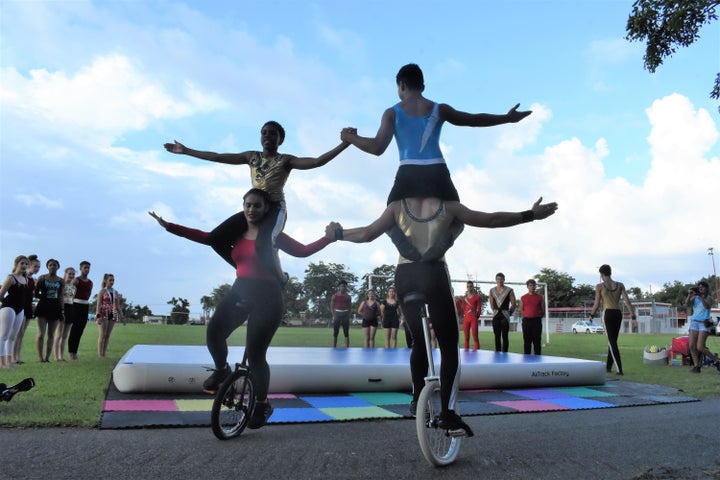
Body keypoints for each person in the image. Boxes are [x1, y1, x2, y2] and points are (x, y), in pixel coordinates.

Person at [327, 195, 558, 434]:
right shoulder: (449, 207)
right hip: (434, 274)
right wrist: (530, 215)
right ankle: (447, 413)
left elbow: (366, 234)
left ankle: (417, 399)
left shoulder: (396, 207)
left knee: (418, 341)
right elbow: (491, 219)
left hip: (406, 276)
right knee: (449, 345)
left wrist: (338, 234)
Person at [149, 188, 337, 429]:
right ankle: (221, 370)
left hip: (268, 297)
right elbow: (206, 237)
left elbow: (302, 251)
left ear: (266, 209)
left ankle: (261, 404)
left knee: (256, 355)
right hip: (241, 290)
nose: (251, 210)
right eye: (247, 205)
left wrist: (329, 237)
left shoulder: (273, 236)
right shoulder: (235, 233)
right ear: (243, 207)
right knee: (214, 331)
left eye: (257, 206)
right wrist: (170, 226)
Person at [164, 121, 350, 280]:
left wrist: (345, 144)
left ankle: (280, 278)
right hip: (253, 209)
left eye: (273, 134)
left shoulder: (286, 160)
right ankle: (243, 269)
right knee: (215, 239)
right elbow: (217, 157)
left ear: (280, 140)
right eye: (264, 133)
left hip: (274, 209)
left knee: (264, 241)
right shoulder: (251, 157)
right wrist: (186, 151)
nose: (267, 136)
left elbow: (317, 161)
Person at [340, 63, 531, 204]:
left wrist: (350, 137)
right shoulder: (440, 109)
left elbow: (377, 147)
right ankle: (442, 244)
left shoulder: (392, 112)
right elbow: (474, 120)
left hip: (408, 170)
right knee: (457, 218)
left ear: (401, 86)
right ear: (423, 87)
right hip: (436, 170)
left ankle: (407, 248)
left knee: (390, 220)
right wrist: (506, 118)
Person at [588, 264, 636, 376]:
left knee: (612, 341)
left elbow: (597, 304)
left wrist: (591, 315)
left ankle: (619, 369)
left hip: (608, 314)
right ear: (610, 272)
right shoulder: (620, 285)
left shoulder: (599, 286)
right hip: (618, 314)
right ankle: (608, 367)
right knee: (613, 340)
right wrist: (633, 316)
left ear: (601, 274)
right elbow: (627, 302)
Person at [685, 281, 720, 373]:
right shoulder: (695, 297)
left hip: (704, 324)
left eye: (702, 287)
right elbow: (687, 304)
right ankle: (697, 366)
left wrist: (700, 296)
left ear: (706, 289)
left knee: (700, 347)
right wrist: (689, 294)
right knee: (692, 346)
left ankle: (716, 360)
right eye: (699, 287)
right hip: (694, 323)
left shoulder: (709, 298)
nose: (700, 288)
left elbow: (706, 306)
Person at [0, 256, 29, 369]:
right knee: (3, 336)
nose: (24, 266)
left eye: (26, 264)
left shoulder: (25, 278)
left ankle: (9, 361)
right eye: (22, 263)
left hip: (20, 309)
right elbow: (1, 294)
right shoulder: (11, 278)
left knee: (13, 337)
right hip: (8, 308)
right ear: (16, 264)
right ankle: (1, 363)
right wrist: (6, 303)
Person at [34, 259, 64, 363]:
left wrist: (62, 310)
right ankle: (40, 358)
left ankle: (47, 357)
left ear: (58, 267)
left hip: (55, 308)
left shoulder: (61, 281)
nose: (52, 267)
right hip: (43, 307)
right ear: (47, 267)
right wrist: (44, 296)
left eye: (54, 265)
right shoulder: (42, 278)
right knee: (41, 334)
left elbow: (61, 296)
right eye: (50, 265)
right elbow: (35, 293)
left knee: (51, 335)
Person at [13, 254, 40, 364]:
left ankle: (17, 357)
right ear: (29, 265)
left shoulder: (32, 279)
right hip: (20, 306)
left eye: (38, 267)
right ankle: (13, 357)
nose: (37, 269)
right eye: (35, 266)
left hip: (28, 306)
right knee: (17, 333)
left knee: (22, 334)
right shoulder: (22, 277)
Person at [68, 261, 93, 360]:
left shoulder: (90, 282)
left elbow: (88, 294)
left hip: (85, 306)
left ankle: (75, 352)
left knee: (80, 331)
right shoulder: (76, 280)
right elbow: (70, 292)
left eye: (88, 268)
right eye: (85, 267)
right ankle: (71, 353)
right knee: (74, 330)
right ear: (81, 268)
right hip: (76, 305)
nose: (87, 270)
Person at [489, 273, 516, 353]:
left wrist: (509, 313)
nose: (499, 281)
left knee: (505, 336)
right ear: (496, 280)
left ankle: (505, 353)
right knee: (496, 336)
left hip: (505, 316)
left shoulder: (509, 290)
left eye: (501, 279)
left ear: (504, 280)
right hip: (496, 315)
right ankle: (497, 353)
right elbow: (491, 304)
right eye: (498, 279)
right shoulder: (492, 290)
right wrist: (495, 311)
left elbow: (514, 304)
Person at [95, 273, 120, 358]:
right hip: (103, 313)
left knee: (108, 335)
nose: (112, 282)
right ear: (106, 281)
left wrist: (122, 315)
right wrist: (98, 316)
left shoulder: (115, 292)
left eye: (113, 280)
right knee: (102, 335)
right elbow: (98, 304)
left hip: (113, 314)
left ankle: (104, 353)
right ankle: (100, 354)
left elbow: (118, 305)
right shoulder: (102, 291)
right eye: (110, 280)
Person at [54, 267, 76, 362]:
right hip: (61, 308)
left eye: (73, 274)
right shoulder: (60, 284)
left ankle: (61, 356)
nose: (71, 276)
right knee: (58, 334)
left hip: (70, 308)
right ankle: (56, 356)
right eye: (69, 273)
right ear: (65, 273)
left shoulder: (74, 287)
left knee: (65, 336)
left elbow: (72, 299)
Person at [520, 279, 545, 355]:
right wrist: (527, 315)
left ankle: (537, 358)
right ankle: (527, 358)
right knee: (527, 341)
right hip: (527, 321)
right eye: (530, 285)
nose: (532, 287)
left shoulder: (540, 297)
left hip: (536, 321)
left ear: (535, 286)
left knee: (537, 341)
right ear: (527, 287)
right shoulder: (523, 297)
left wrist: (537, 316)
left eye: (534, 285)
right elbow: (521, 309)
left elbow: (543, 309)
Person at [329, 280, 352, 348]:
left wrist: (348, 315)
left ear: (346, 287)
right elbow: (332, 306)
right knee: (335, 333)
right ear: (339, 287)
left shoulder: (348, 296)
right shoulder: (334, 296)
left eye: (344, 286)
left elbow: (350, 307)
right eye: (342, 286)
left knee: (346, 333)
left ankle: (347, 348)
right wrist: (333, 315)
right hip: (337, 314)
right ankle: (334, 347)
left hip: (345, 314)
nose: (343, 288)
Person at [461, 281, 482, 351]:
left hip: (473, 319)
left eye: (471, 286)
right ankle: (466, 353)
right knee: (466, 337)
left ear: (473, 287)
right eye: (468, 286)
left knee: (475, 337)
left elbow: (479, 309)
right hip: (466, 319)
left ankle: (477, 353)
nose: (469, 288)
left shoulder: (477, 297)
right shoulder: (463, 298)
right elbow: (463, 308)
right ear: (466, 287)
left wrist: (476, 317)